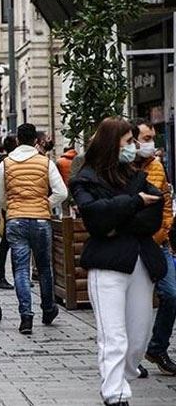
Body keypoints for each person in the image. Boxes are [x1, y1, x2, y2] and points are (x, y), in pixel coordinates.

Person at [70, 117, 166, 406]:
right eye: (128, 142)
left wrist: (117, 219)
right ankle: (115, 393)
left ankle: (128, 371)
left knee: (138, 337)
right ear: (112, 144)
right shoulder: (85, 178)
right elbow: (95, 218)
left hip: (140, 260)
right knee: (113, 335)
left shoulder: (134, 175)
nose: (134, 147)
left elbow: (154, 212)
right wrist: (134, 202)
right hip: (108, 263)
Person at [0, 123, 68, 334]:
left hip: (16, 220)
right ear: (36, 141)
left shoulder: (6, 164)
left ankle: (26, 317)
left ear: (17, 140)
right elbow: (61, 192)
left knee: (20, 270)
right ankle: (48, 309)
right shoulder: (45, 162)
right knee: (44, 267)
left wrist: (13, 207)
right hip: (40, 220)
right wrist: (45, 204)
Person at [130, 119, 176, 376]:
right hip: (133, 244)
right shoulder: (121, 167)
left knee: (171, 294)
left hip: (159, 242)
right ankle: (132, 354)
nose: (151, 144)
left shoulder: (158, 166)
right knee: (134, 302)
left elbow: (167, 200)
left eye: (153, 138)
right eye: (146, 138)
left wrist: (165, 229)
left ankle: (157, 347)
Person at [0, 136, 17, 289]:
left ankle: (6, 276)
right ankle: (1, 277)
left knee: (9, 243)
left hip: (7, 207)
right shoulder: (8, 162)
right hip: (10, 208)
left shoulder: (4, 161)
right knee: (8, 243)